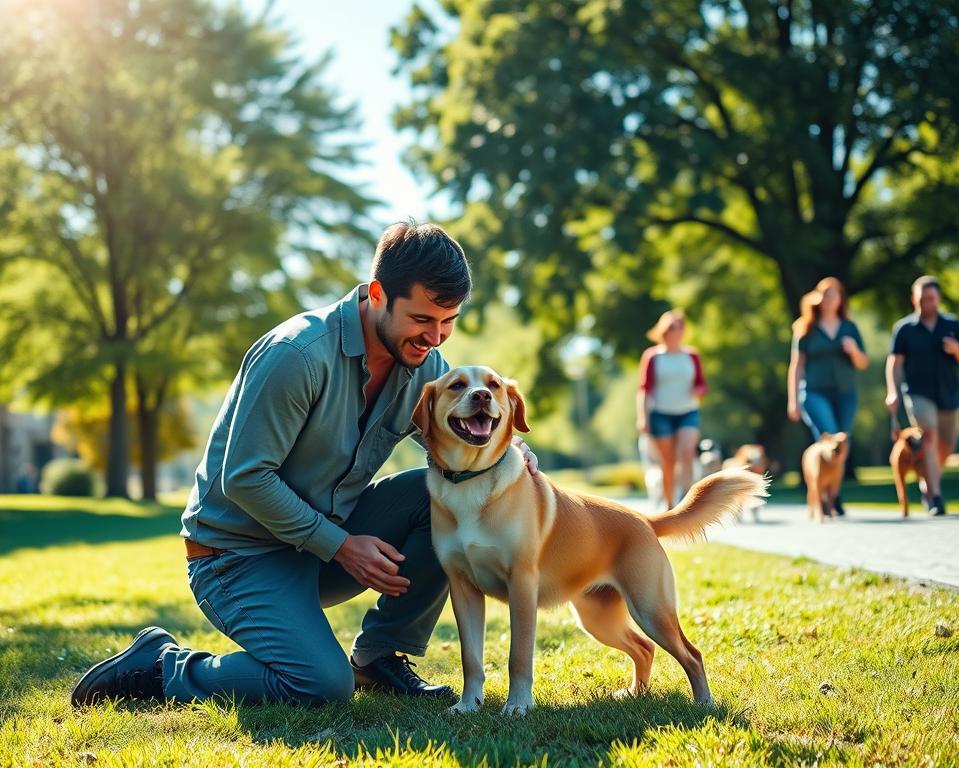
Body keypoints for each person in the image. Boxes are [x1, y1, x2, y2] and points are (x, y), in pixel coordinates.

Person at [71, 221, 538, 707]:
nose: (436, 337)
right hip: (236, 558)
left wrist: (511, 458)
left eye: (448, 321)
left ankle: (381, 656)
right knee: (322, 685)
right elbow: (245, 478)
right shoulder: (298, 355)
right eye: (423, 319)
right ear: (378, 294)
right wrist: (340, 547)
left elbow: (460, 446)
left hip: (318, 550)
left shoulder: (421, 364)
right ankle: (163, 668)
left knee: (436, 493)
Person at [786, 277, 868, 515]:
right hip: (814, 392)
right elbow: (796, 366)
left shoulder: (850, 327)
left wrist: (854, 351)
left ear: (841, 299)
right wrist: (792, 399)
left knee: (843, 443)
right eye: (826, 294)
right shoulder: (806, 328)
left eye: (835, 294)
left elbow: (863, 363)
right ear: (818, 298)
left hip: (846, 393)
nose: (831, 299)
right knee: (829, 438)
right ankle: (821, 495)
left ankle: (833, 495)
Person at [885, 275, 959, 516]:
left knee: (946, 444)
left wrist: (957, 350)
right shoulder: (904, 329)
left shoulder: (952, 325)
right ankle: (935, 495)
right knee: (929, 435)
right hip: (917, 393)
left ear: (938, 299)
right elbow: (895, 363)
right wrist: (892, 391)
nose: (927, 303)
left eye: (931, 298)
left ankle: (927, 480)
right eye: (922, 299)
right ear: (914, 300)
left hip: (949, 393)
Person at [636, 309, 707, 509]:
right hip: (661, 414)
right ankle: (669, 503)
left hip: (688, 412)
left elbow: (702, 384)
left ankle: (688, 500)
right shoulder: (652, 356)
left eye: (680, 326)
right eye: (672, 327)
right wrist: (643, 417)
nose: (676, 331)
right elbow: (644, 390)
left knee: (687, 453)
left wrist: (699, 389)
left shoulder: (692, 355)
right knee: (668, 462)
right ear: (664, 331)